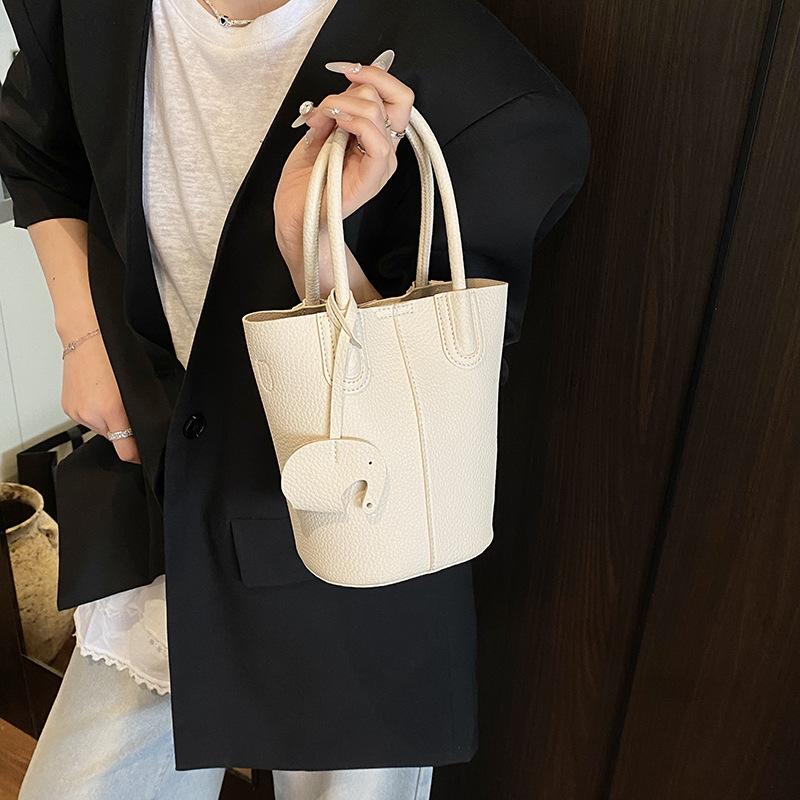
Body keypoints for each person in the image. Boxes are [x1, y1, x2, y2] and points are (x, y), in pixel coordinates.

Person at [0, 0, 590, 797]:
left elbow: (437, 382)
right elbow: (40, 149)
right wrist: (83, 335)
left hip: (351, 532)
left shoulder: (469, 71)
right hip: (161, 504)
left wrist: (311, 243)